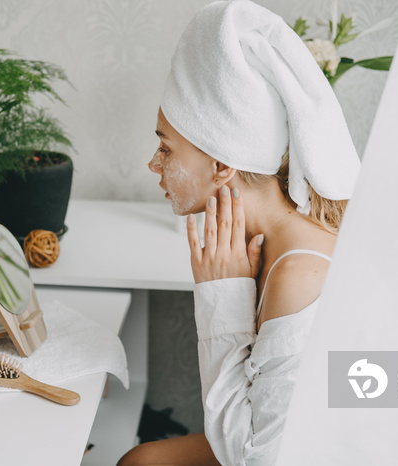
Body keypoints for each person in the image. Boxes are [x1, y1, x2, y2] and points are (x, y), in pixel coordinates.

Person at [119, 1, 360, 465]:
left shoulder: (299, 274)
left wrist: (222, 301)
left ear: (223, 163)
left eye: (166, 148)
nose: (154, 164)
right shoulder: (269, 238)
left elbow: (256, 459)